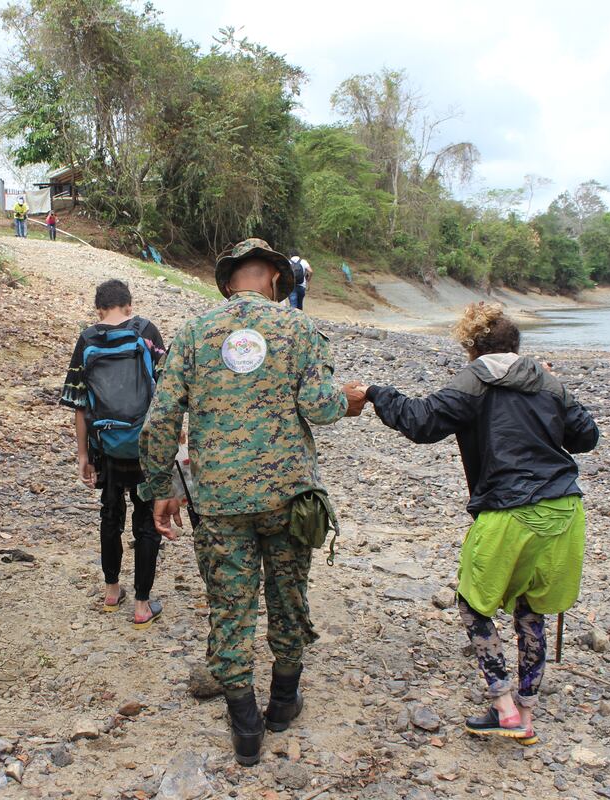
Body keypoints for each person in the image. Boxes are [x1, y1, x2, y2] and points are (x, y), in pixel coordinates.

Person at [140, 238, 367, 765]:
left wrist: (163, 491)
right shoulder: (299, 328)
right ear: (274, 278)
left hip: (219, 501)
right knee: (288, 595)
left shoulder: (195, 333)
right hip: (289, 497)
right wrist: (350, 399)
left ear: (228, 282)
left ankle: (245, 724)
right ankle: (283, 702)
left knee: (230, 605)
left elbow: (159, 421)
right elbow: (320, 405)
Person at [353, 302, 599, 746]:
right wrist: (558, 388)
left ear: (471, 347)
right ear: (516, 346)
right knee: (531, 608)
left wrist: (375, 391)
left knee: (472, 604)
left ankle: (502, 705)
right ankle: (525, 710)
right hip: (565, 509)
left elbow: (421, 421)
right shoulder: (546, 381)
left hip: (509, 510)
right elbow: (585, 437)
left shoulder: (476, 378)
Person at [61, 280, 167, 629]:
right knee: (146, 522)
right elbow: (166, 395)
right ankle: (141, 605)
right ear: (129, 305)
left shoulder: (87, 338)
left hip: (104, 445)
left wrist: (82, 456)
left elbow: (78, 405)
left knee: (110, 514)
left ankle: (111, 590)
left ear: (99, 309)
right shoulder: (147, 331)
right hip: (145, 446)